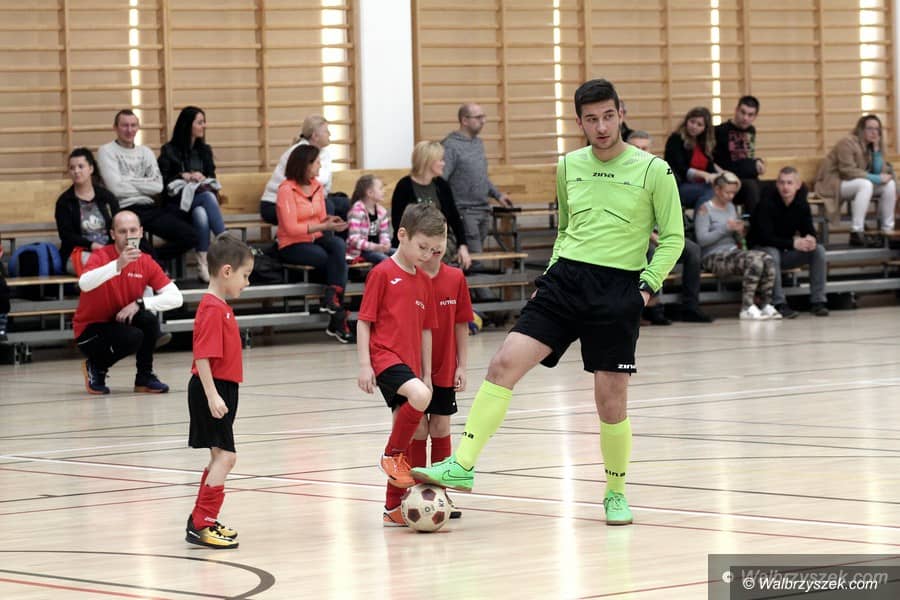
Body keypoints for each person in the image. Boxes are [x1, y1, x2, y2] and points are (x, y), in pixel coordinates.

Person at [412, 79, 685, 527]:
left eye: (608, 116)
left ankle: (615, 492)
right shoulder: (569, 165)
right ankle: (463, 464)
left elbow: (674, 237)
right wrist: (549, 278)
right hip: (564, 282)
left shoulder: (654, 170)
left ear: (621, 113)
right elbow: (566, 230)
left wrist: (645, 288)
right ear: (579, 122)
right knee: (503, 363)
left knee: (610, 400)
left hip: (618, 288)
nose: (601, 127)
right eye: (591, 119)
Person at [356, 204, 443, 523]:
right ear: (402, 235)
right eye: (422, 247)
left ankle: (392, 508)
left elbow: (426, 331)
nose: (427, 255)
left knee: (408, 429)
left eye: (433, 250)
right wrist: (365, 365)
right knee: (418, 399)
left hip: (410, 365)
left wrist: (427, 374)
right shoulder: (381, 274)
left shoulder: (425, 281)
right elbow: (364, 321)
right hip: (384, 358)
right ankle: (389, 455)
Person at [386, 231, 473, 526]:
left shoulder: (456, 278)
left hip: (444, 367)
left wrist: (462, 366)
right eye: (428, 243)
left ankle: (439, 494)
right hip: (410, 366)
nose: (435, 248)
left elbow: (462, 324)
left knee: (440, 426)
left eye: (442, 240)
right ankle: (414, 492)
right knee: (417, 430)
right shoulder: (410, 276)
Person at [184, 233, 254, 550]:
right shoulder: (212, 308)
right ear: (227, 271)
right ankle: (203, 523)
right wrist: (212, 395)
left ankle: (201, 520)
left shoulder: (219, 306)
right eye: (245, 276)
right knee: (227, 457)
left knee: (218, 456)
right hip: (211, 387)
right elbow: (202, 356)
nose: (247, 283)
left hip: (221, 386)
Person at [74, 210, 184, 395]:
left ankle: (144, 377)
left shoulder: (145, 261)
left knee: (148, 319)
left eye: (133, 230)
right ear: (113, 234)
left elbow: (176, 298)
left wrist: (140, 303)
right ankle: (96, 367)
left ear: (140, 232)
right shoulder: (101, 256)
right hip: (90, 330)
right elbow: (84, 283)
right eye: (122, 231)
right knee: (133, 336)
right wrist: (118, 264)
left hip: (119, 321)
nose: (128, 236)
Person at [97, 109, 197, 263]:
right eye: (124, 125)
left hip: (150, 207)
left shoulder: (146, 152)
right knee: (136, 246)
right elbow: (115, 189)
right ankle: (154, 264)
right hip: (124, 209)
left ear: (138, 127)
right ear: (115, 128)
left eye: (133, 125)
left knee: (190, 236)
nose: (129, 130)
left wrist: (127, 180)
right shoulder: (106, 151)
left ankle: (154, 261)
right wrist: (144, 183)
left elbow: (157, 187)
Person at [636, 132, 714, 325]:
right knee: (650, 251)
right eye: (636, 148)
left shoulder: (660, 173)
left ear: (650, 150)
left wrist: (671, 236)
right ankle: (650, 306)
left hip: (661, 233)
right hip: (635, 236)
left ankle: (690, 307)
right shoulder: (621, 177)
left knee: (692, 249)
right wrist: (652, 236)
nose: (640, 152)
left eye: (644, 148)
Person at [275, 144, 351, 343]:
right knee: (328, 258)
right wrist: (322, 226)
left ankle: (332, 300)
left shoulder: (317, 186)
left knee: (338, 245)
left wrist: (331, 222)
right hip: (291, 244)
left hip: (315, 238)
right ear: (305, 165)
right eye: (317, 162)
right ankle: (337, 317)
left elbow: (321, 218)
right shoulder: (286, 189)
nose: (320, 166)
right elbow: (291, 228)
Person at [695, 173, 780, 321]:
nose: (730, 196)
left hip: (733, 252)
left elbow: (735, 238)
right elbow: (702, 239)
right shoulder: (705, 209)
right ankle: (747, 306)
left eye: (733, 193)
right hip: (713, 256)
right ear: (717, 190)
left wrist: (739, 232)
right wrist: (725, 228)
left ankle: (765, 303)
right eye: (727, 192)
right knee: (754, 261)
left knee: (767, 259)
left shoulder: (731, 207)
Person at [158, 106, 226, 282]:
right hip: (176, 206)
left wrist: (202, 177)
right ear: (188, 125)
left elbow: (212, 178)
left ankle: (203, 264)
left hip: (198, 203)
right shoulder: (169, 150)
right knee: (207, 198)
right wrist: (183, 175)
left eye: (204, 122)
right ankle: (226, 243)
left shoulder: (205, 150)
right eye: (200, 122)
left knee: (201, 213)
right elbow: (162, 182)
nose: (204, 126)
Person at [750, 167, 829, 318]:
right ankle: (778, 303)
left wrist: (811, 240)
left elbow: (809, 230)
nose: (785, 187)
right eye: (781, 183)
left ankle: (818, 301)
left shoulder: (801, 204)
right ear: (777, 184)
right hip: (760, 252)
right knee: (772, 252)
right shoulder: (766, 203)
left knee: (818, 250)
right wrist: (793, 244)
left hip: (784, 252)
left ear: (798, 185)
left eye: (789, 183)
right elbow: (765, 238)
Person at [814, 114, 897, 247]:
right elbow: (847, 171)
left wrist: (876, 151)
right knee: (866, 184)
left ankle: (888, 230)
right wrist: (876, 178)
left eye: (877, 129)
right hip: (833, 183)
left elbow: (877, 171)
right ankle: (856, 232)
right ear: (861, 129)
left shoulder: (871, 146)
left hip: (854, 183)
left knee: (889, 185)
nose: (874, 132)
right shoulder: (847, 142)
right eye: (870, 128)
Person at [442, 103, 512, 258]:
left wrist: (498, 195)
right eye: (478, 117)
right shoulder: (450, 146)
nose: (483, 121)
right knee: (474, 259)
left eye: (484, 117)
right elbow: (441, 180)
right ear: (464, 120)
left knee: (476, 257)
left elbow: (480, 177)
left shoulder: (478, 143)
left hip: (483, 209)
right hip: (464, 211)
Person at [391, 141, 472, 270]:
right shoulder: (404, 186)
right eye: (440, 160)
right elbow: (398, 222)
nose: (443, 163)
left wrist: (463, 246)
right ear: (428, 161)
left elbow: (454, 218)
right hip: (414, 240)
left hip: (439, 240)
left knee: (435, 252)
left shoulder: (442, 185)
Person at [260, 115, 347, 225]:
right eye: (326, 131)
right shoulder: (299, 152)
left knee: (345, 204)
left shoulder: (324, 153)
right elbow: (315, 182)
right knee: (326, 206)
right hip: (275, 204)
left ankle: (343, 234)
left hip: (306, 200)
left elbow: (325, 184)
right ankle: (319, 234)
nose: (329, 134)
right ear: (315, 136)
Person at [55, 148, 118, 276]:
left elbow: (117, 226)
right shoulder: (65, 202)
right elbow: (66, 236)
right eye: (72, 168)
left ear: (91, 168)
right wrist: (92, 245)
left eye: (80, 166)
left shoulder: (107, 197)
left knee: (131, 261)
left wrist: (110, 248)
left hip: (108, 250)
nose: (76, 171)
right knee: (102, 265)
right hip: (78, 252)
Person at [713, 96, 766, 213]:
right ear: (736, 110)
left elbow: (746, 157)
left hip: (748, 177)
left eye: (750, 115)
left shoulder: (751, 130)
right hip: (729, 179)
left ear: (755, 116)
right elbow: (715, 161)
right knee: (751, 188)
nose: (745, 118)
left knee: (773, 188)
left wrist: (758, 162)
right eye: (743, 112)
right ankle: (755, 222)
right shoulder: (720, 131)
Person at [665, 107, 722, 209]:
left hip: (702, 184)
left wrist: (719, 176)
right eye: (692, 122)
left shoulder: (704, 143)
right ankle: (702, 219)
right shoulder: (676, 139)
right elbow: (680, 168)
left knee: (722, 189)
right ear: (686, 121)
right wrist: (702, 174)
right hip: (681, 185)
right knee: (711, 193)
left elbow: (710, 167)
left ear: (705, 128)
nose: (694, 126)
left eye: (699, 124)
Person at [346, 174, 392, 265]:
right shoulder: (356, 211)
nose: (384, 191)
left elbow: (384, 234)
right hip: (361, 252)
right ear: (370, 193)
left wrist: (386, 244)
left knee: (402, 255)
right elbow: (354, 240)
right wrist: (375, 247)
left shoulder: (382, 212)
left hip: (378, 249)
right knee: (387, 261)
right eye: (380, 188)